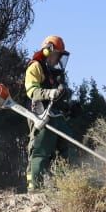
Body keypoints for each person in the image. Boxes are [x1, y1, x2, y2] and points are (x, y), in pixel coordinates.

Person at [24, 35, 78, 192]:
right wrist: (51, 93)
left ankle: (64, 186)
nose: (59, 58)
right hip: (40, 113)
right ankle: (35, 189)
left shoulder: (54, 74)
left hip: (55, 115)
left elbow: (58, 99)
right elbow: (31, 91)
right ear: (47, 51)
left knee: (67, 146)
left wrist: (69, 108)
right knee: (41, 150)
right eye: (57, 54)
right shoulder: (36, 67)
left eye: (61, 55)